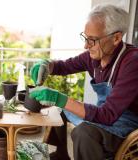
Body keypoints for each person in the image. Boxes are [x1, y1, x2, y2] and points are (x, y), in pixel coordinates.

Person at [29, 4, 138, 160]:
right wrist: (47, 64)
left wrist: (60, 98)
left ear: (116, 38)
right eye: (85, 38)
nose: (86, 46)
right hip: (105, 113)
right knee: (61, 110)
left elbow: (108, 115)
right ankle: (61, 155)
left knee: (85, 133)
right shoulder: (93, 55)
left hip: (128, 124)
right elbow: (63, 66)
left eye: (92, 40)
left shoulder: (132, 62)